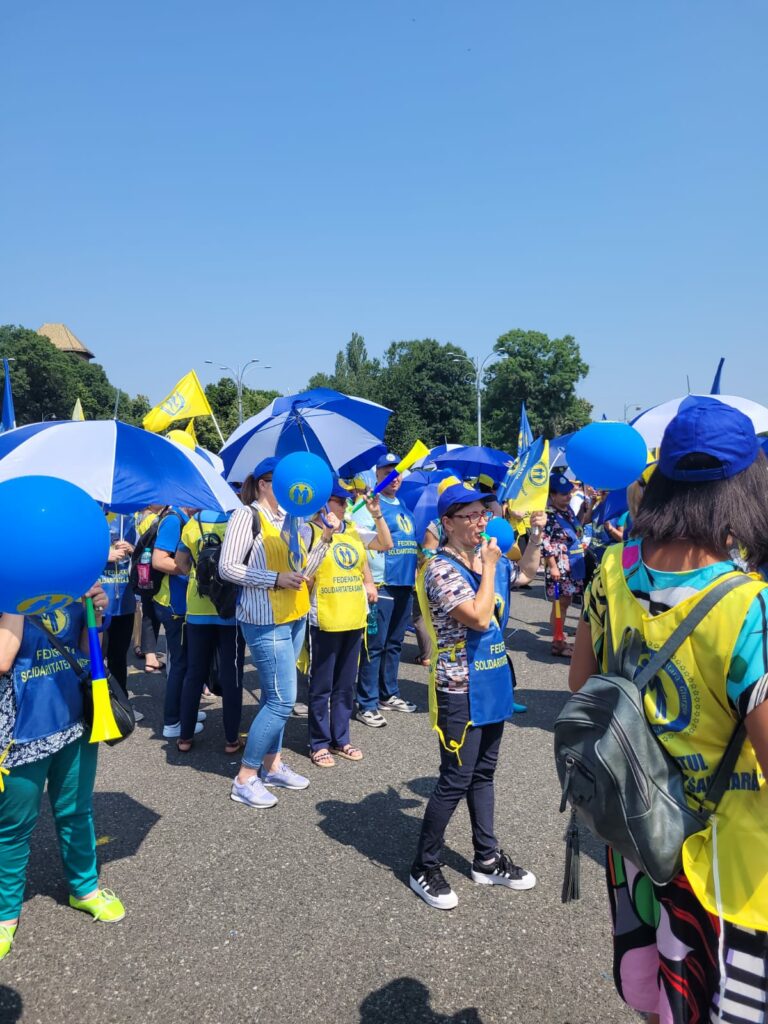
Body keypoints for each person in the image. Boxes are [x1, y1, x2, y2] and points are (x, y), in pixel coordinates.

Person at [569, 397, 768, 1024]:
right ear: (742, 492)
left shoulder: (608, 572)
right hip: (726, 863)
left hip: (635, 830)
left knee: (659, 993)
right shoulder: (747, 609)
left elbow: (582, 690)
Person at [409, 477, 545, 910]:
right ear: (447, 523)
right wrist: (488, 566)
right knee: (455, 778)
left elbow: (525, 573)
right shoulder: (440, 568)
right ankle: (423, 865)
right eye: (468, 516)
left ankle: (486, 858)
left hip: (492, 680)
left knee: (484, 773)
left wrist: (536, 536)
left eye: (482, 513)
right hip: (459, 686)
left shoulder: (486, 559)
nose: (479, 522)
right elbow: (479, 618)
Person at [0, 586, 125, 962]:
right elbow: (4, 659)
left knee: (75, 809)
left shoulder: (69, 580)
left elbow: (86, 653)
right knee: (13, 824)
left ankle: (84, 888)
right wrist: (14, 600)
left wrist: (94, 613)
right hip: (20, 731)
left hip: (74, 719)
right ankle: (5, 913)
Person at [219, 457, 333, 810]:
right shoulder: (245, 516)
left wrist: (325, 540)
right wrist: (273, 579)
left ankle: (272, 765)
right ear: (266, 483)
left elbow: (300, 572)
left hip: (294, 614)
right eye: (284, 482)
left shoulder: (292, 519)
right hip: (264, 618)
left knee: (274, 697)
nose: (296, 489)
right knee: (283, 701)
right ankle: (245, 778)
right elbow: (227, 567)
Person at [305, 478, 378, 767]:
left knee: (346, 684)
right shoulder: (309, 531)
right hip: (324, 617)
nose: (346, 505)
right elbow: (304, 575)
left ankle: (341, 738)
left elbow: (377, 550)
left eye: (347, 501)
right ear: (324, 504)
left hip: (353, 616)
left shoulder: (352, 532)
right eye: (340, 500)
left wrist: (369, 582)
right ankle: (319, 742)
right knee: (321, 684)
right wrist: (325, 536)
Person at [354, 453, 420, 727]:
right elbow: (360, 541)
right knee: (375, 645)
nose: (395, 477)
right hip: (382, 583)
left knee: (395, 643)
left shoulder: (402, 503)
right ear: (378, 475)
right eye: (388, 472)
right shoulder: (366, 505)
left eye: (398, 472)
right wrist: (367, 580)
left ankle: (388, 693)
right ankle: (366, 702)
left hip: (404, 582)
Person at [173, 510, 245, 754]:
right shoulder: (238, 520)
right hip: (230, 606)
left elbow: (181, 563)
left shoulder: (193, 523)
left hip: (197, 605)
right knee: (232, 674)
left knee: (194, 673)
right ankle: (232, 739)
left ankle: (185, 737)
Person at [152, 506, 206, 741]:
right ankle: (172, 721)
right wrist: (191, 565)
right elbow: (159, 560)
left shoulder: (183, 518)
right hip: (174, 605)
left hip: (179, 603)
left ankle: (186, 710)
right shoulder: (175, 520)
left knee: (185, 662)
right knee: (180, 664)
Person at [100, 514, 142, 720]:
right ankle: (96, 707)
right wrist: (104, 554)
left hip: (124, 601)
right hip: (99, 603)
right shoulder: (89, 516)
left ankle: (121, 706)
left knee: (119, 657)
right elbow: (72, 554)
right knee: (95, 659)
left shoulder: (129, 518)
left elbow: (144, 556)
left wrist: (133, 549)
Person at [542, 472, 586, 657]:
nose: (568, 496)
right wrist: (552, 566)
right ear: (552, 495)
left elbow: (577, 530)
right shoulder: (547, 515)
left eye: (569, 492)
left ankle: (559, 640)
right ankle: (557, 642)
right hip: (559, 563)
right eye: (563, 493)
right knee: (560, 602)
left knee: (566, 601)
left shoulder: (567, 512)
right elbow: (544, 542)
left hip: (572, 562)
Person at [133, 506, 164, 673]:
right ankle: (149, 655)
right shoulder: (154, 520)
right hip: (155, 571)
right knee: (152, 613)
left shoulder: (137, 516)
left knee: (147, 614)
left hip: (142, 571)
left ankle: (148, 654)